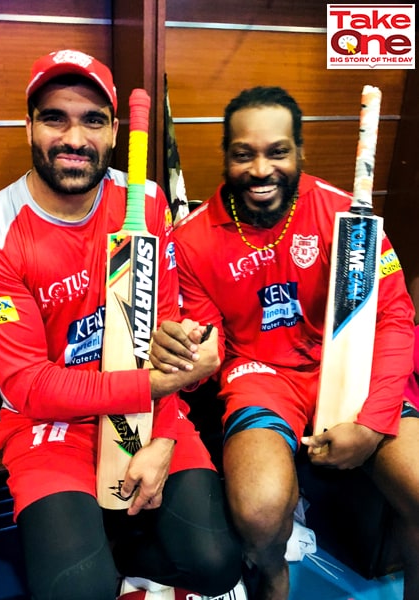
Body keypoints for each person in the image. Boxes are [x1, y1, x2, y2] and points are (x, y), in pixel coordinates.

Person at [0, 50, 243, 600]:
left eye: (93, 119)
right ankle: (100, 568)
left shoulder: (145, 200)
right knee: (77, 591)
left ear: (115, 130)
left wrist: (163, 432)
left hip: (148, 407)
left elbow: (165, 332)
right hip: (50, 424)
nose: (75, 137)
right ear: (28, 126)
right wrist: (159, 385)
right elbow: (29, 386)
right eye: (55, 118)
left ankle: (121, 559)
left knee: (218, 565)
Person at [150, 86, 419, 600]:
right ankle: (273, 576)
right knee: (258, 510)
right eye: (243, 153)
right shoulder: (192, 240)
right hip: (260, 376)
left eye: (277, 151)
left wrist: (370, 423)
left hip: (349, 371)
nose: (260, 169)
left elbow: (394, 316)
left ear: (299, 153)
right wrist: (184, 350)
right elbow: (209, 351)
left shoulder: (348, 218)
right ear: (226, 158)